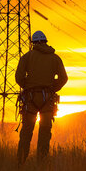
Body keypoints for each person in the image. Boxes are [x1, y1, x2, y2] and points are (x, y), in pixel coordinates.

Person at [16, 30, 68, 164]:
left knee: (26, 132)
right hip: (48, 100)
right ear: (45, 42)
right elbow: (63, 78)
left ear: (33, 43)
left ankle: (21, 163)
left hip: (30, 99)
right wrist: (52, 88)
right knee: (45, 132)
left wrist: (28, 86)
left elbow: (19, 77)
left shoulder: (27, 57)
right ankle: (42, 163)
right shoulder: (55, 58)